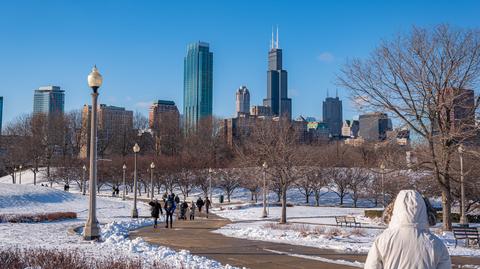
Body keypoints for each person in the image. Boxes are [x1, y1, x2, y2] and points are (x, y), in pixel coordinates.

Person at [365, 190, 451, 269]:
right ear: (424, 210)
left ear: (395, 208)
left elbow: (372, 266)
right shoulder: (436, 244)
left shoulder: (382, 241)